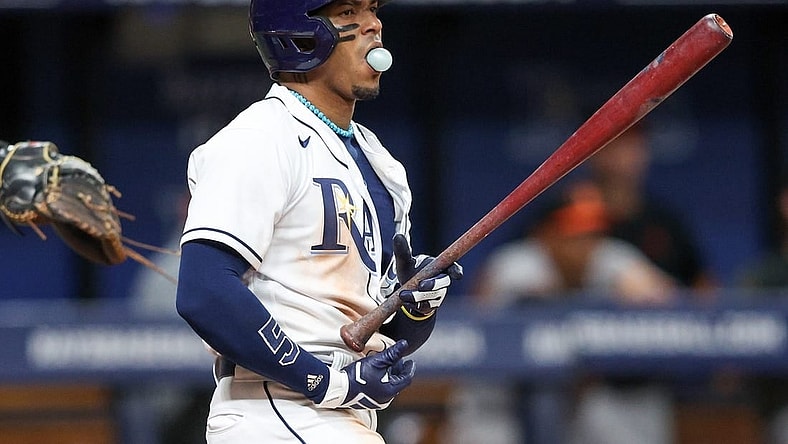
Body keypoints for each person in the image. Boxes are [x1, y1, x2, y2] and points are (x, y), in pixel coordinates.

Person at [175, 1, 462, 443]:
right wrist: (325, 381)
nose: (374, 24)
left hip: (337, 415)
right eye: (349, 12)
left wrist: (414, 305)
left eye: (371, 9)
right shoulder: (260, 139)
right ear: (299, 33)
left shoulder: (380, 163)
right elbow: (204, 292)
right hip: (274, 407)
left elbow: (382, 330)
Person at [462, 180, 676, 444]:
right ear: (545, 235)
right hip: (504, 400)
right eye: (574, 234)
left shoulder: (610, 258)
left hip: (578, 401)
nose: (586, 245)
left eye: (594, 233)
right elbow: (472, 333)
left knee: (609, 411)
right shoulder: (515, 266)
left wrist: (644, 294)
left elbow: (669, 303)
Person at [588, 123, 716, 291]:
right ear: (594, 154)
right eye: (613, 146)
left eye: (632, 146)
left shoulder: (665, 219)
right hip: (585, 315)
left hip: (663, 314)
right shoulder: (566, 216)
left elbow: (702, 283)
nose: (623, 157)